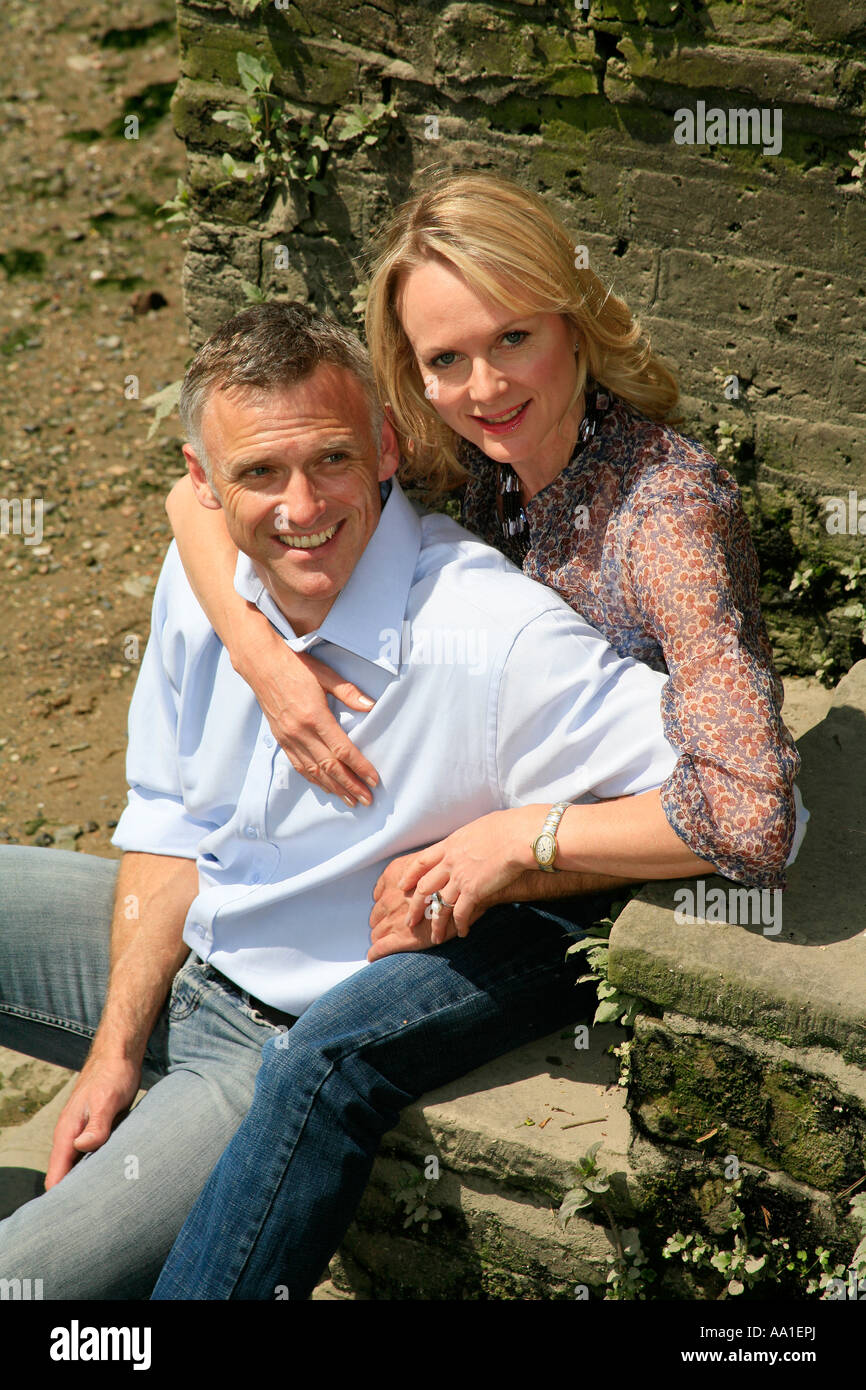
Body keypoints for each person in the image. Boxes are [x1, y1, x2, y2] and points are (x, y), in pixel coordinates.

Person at [0, 302, 711, 1301]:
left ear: (384, 444)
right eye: (257, 474)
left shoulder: (491, 640)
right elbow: (167, 818)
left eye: (329, 459)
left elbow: (732, 807)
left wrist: (522, 841)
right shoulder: (204, 577)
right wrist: (113, 1054)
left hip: (260, 1050)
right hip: (163, 949)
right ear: (203, 486)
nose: (299, 505)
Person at [165, 173, 805, 928]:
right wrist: (261, 658)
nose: (487, 387)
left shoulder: (665, 522)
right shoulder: (478, 454)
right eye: (446, 361)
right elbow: (190, 500)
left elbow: (753, 817)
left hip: (620, 865)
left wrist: (517, 839)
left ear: (572, 322)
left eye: (513, 338)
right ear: (415, 373)